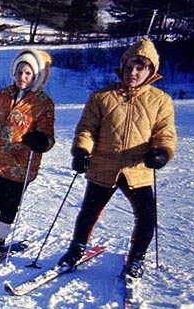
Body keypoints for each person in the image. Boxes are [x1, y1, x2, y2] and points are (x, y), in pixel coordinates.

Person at [56, 37, 176, 279]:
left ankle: (136, 258)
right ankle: (75, 250)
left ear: (151, 70)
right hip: (104, 165)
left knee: (147, 216)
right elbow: (87, 129)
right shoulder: (101, 97)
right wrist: (82, 151)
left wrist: (162, 153)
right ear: (122, 66)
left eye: (140, 67)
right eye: (130, 66)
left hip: (138, 168)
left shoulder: (161, 100)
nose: (133, 72)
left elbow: (165, 133)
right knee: (89, 213)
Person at [0, 49, 55, 259]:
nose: (22, 77)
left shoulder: (42, 102)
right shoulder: (3, 95)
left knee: (8, 207)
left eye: (28, 73)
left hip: (20, 165)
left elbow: (48, 136)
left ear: (36, 76)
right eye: (19, 72)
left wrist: (40, 141)